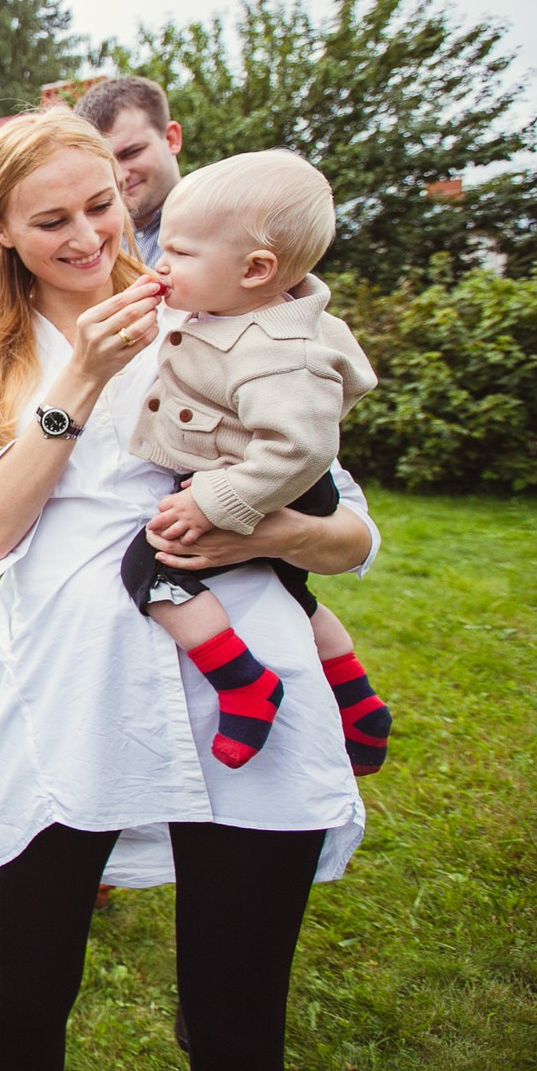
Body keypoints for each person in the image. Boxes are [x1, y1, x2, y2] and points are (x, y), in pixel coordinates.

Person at [0, 108, 375, 1071]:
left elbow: (346, 530)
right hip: (74, 694)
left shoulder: (216, 308)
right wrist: (80, 373)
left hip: (246, 697)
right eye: (51, 222)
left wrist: (258, 532)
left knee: (233, 1022)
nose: (88, 238)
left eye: (102, 204)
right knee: (29, 990)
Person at [123, 150, 393, 774]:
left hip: (277, 485)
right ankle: (357, 701)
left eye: (181, 253)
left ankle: (244, 682)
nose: (162, 262)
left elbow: (299, 450)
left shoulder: (277, 350)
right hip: (281, 484)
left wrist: (215, 502)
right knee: (293, 592)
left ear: (256, 269)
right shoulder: (240, 312)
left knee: (152, 564)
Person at [75, 76, 182, 268]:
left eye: (131, 153)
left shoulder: (225, 225)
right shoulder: (86, 250)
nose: (119, 176)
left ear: (171, 139)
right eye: (106, 162)